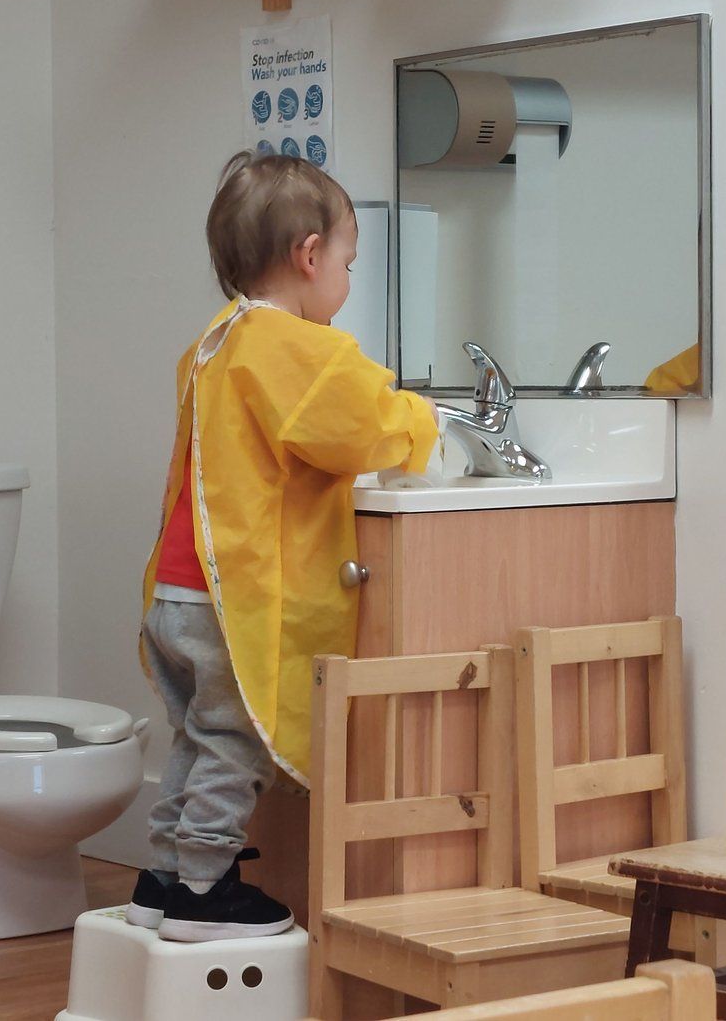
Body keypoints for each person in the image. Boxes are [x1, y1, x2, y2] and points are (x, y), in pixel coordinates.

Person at [126, 151, 438, 943]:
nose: (346, 279)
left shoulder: (217, 338)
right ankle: (204, 886)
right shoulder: (295, 348)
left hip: (178, 590)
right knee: (233, 742)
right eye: (347, 261)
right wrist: (425, 423)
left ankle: (162, 874)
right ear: (309, 254)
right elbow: (362, 428)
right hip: (234, 602)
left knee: (198, 735)